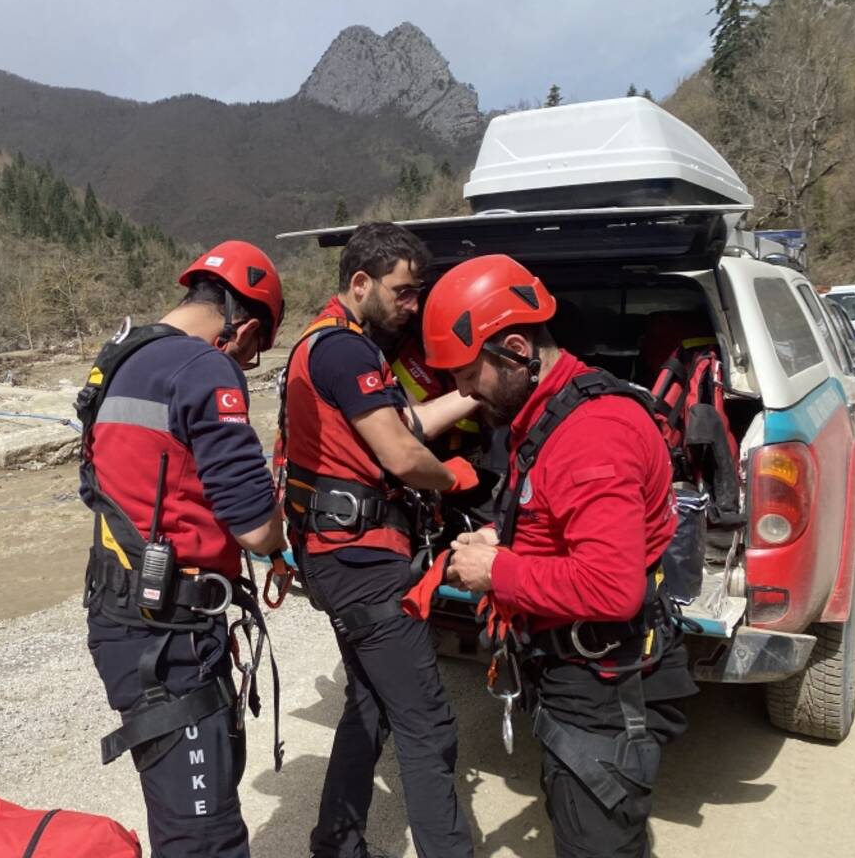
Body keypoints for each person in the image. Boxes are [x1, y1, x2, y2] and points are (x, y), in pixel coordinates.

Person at [424, 254, 697, 858]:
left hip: (604, 685)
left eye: (468, 374)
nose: (461, 392)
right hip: (578, 671)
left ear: (517, 349)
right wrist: (508, 541)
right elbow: (561, 522)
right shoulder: (547, 412)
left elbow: (611, 588)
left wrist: (498, 570)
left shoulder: (589, 436)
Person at [79, 240, 288, 858]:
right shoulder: (204, 368)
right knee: (206, 838)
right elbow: (254, 523)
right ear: (243, 327)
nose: (245, 365)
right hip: (168, 634)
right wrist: (283, 540)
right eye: (253, 353)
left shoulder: (119, 357)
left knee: (182, 815)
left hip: (124, 613)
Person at [280, 221, 476, 858]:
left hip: (333, 557)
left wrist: (469, 394)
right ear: (359, 282)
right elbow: (399, 451)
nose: (411, 305)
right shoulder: (345, 350)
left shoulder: (329, 344)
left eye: (417, 292)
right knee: (427, 725)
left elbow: (400, 421)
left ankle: (335, 843)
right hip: (364, 562)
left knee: (368, 705)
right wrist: (452, 479)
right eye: (404, 291)